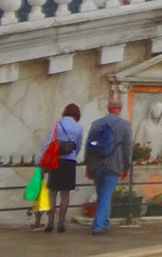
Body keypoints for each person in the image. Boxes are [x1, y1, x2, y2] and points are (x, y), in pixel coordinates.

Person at [86, 100, 133, 236]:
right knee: (106, 194)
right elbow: (127, 148)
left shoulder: (96, 124)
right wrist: (126, 167)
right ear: (120, 109)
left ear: (108, 109)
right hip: (114, 164)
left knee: (101, 194)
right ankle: (98, 226)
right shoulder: (125, 125)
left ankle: (104, 223)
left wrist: (88, 166)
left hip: (96, 164)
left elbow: (88, 146)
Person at [44, 104, 83, 233]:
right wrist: (72, 156)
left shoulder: (57, 125)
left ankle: (50, 223)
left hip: (56, 160)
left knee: (52, 193)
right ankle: (61, 224)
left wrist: (42, 160)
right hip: (69, 161)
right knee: (65, 194)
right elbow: (77, 147)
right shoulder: (78, 128)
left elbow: (49, 143)